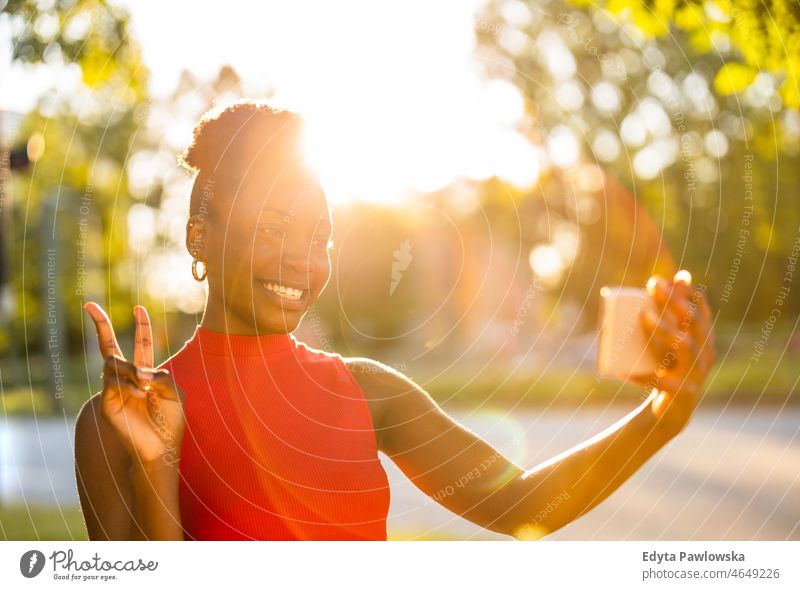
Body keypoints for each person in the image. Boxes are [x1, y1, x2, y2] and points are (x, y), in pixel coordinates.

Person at [74, 99, 716, 541]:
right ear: (197, 237)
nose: (301, 261)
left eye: (319, 236)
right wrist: (159, 465)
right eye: (272, 229)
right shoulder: (121, 420)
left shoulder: (367, 391)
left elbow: (523, 504)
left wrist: (665, 417)